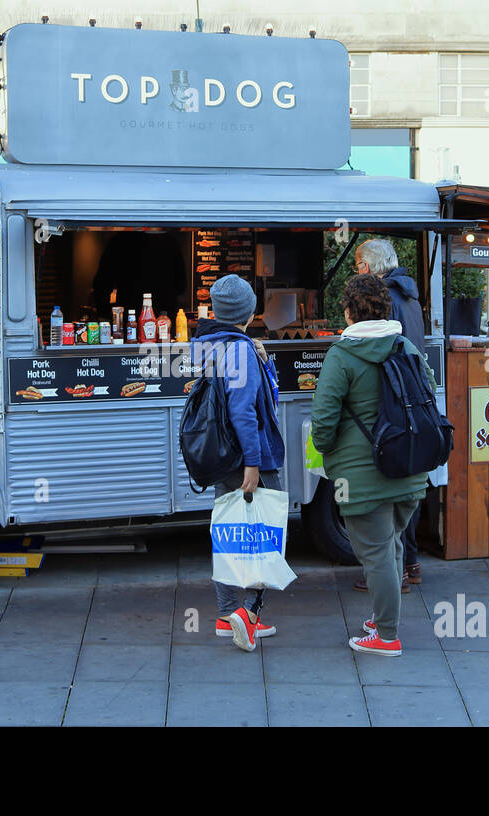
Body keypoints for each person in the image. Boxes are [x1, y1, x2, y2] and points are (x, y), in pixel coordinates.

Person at [310, 274, 433, 657]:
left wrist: (328, 452)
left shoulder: (343, 355)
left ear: (348, 311)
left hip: (362, 476)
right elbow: (428, 395)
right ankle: (384, 618)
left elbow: (324, 421)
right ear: (385, 308)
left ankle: (386, 635)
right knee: (391, 545)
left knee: (377, 553)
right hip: (411, 467)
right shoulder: (406, 347)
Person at [192, 274, 285, 653]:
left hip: (220, 455)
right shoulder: (241, 349)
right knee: (267, 536)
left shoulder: (207, 345)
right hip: (250, 457)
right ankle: (248, 613)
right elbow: (245, 410)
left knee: (228, 534)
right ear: (249, 311)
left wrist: (264, 361)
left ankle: (225, 612)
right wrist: (253, 463)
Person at [353, 238, 424, 591]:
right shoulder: (410, 295)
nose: (356, 271)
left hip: (392, 401)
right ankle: (410, 564)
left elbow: (381, 351)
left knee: (386, 492)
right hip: (412, 399)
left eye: (358, 264)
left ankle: (392, 575)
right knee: (405, 485)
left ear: (369, 265)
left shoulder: (385, 299)